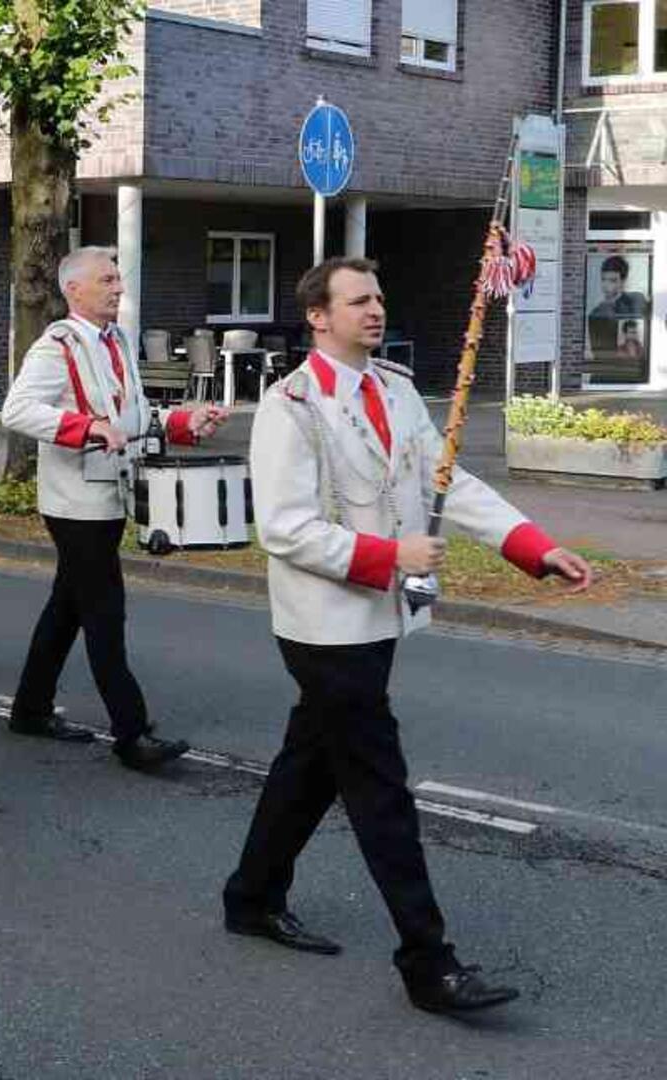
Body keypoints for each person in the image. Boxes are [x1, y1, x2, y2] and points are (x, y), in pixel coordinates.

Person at [223, 256, 594, 1013]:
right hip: (323, 625)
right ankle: (428, 961)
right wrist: (392, 556)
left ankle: (251, 895)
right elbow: (284, 530)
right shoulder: (288, 406)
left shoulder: (395, 391)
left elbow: (447, 482)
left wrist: (532, 544)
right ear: (318, 317)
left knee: (312, 761)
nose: (375, 310)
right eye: (358, 300)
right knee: (378, 785)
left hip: (379, 617)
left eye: (380, 298)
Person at [0, 246, 228, 770]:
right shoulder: (57, 345)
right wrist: (83, 428)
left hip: (108, 496)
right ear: (73, 290)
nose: (119, 288)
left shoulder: (116, 340)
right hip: (74, 503)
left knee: (67, 607)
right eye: (106, 280)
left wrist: (182, 424)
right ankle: (131, 734)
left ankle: (30, 708)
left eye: (118, 279)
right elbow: (16, 409)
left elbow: (133, 416)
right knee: (105, 614)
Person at [589, 255, 648, 319]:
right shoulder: (596, 313)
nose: (605, 285)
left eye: (612, 281)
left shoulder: (636, 300)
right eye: (603, 279)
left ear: (623, 281)